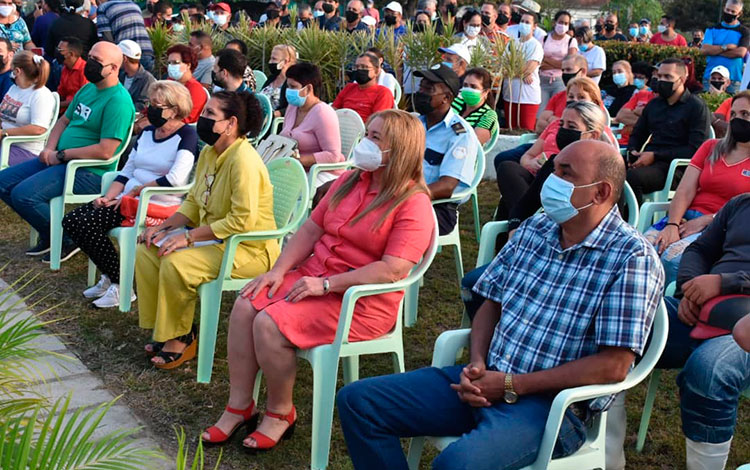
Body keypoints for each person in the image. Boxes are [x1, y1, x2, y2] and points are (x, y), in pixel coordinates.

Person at [337, 139, 664, 470]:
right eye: (554, 168)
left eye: (566, 173)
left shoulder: (632, 258)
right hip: (487, 381)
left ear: (601, 192)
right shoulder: (537, 228)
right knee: (360, 402)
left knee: (456, 465)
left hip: (550, 408)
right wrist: (477, 363)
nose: (551, 179)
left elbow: (613, 366)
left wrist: (511, 385)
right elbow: (491, 302)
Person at [201, 109, 433, 451]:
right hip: (313, 278)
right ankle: (240, 405)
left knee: (268, 323)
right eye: (367, 133)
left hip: (359, 300)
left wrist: (327, 285)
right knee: (246, 302)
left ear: (398, 151)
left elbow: (393, 270)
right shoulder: (351, 180)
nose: (364, 142)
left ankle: (281, 412)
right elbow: (311, 228)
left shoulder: (412, 204)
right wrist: (278, 271)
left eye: (375, 138)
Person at [135, 91, 277, 370]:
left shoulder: (243, 161)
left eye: (211, 114)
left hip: (248, 249)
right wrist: (163, 227)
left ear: (230, 123)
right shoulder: (211, 153)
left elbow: (241, 222)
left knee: (176, 261)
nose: (202, 119)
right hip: (214, 240)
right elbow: (193, 202)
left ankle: (181, 337)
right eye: (204, 112)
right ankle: (165, 330)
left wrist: (187, 237)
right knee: (148, 249)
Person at [62, 81, 198, 308]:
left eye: (158, 105)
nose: (151, 110)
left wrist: (138, 190)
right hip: (126, 199)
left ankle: (121, 285)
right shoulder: (146, 134)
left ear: (174, 110)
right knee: (72, 220)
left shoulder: (186, 136)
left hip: (154, 202)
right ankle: (111, 275)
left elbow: (176, 178)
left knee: (86, 224)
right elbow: (126, 171)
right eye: (150, 104)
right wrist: (108, 196)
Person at [0, 41, 134, 261]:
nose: (89, 63)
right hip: (60, 159)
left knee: (23, 195)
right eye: (90, 57)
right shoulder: (89, 88)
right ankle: (51, 232)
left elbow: (105, 151)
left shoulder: (118, 101)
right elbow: (63, 121)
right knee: (4, 182)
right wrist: (50, 148)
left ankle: (66, 238)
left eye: (97, 61)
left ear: (114, 68)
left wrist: (61, 155)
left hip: (88, 171)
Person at [652, 193, 750, 470]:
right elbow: (699, 250)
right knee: (625, 325)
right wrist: (690, 288)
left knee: (709, 368)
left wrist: (727, 282)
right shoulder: (741, 203)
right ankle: (603, 453)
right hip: (702, 308)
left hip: (743, 326)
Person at [642, 91, 750, 285]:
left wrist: (707, 221)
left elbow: (745, 211)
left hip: (720, 227)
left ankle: (667, 311)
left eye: (745, 114)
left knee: (672, 261)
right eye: (733, 114)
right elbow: (684, 190)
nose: (737, 120)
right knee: (642, 252)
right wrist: (672, 225)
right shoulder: (711, 147)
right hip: (683, 218)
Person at [496, 85, 613, 220]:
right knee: (507, 169)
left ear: (593, 135)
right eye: (561, 124)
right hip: (538, 180)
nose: (563, 130)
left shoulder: (606, 171)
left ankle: (523, 225)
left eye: (571, 126)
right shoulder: (555, 162)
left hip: (573, 228)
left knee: (509, 201)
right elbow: (526, 204)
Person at [626, 58, 711, 205]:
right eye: (659, 76)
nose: (661, 81)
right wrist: (632, 151)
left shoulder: (696, 107)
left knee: (631, 178)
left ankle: (632, 221)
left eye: (668, 77)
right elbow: (638, 133)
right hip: (647, 160)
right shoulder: (654, 105)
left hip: (676, 167)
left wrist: (655, 156)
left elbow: (696, 149)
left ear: (682, 80)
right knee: (608, 170)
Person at [413, 64, 479, 235]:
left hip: (438, 206)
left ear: (446, 98)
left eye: (429, 89)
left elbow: (447, 186)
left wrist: (405, 197)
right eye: (421, 87)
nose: (421, 93)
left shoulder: (459, 135)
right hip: (405, 195)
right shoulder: (414, 124)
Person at [280, 62, 345, 188]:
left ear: (309, 88)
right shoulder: (293, 107)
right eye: (288, 86)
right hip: (295, 169)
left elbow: (333, 155)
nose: (288, 91)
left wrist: (300, 160)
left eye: (293, 87)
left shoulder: (323, 113)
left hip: (320, 173)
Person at [0, 51, 54, 166]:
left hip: (26, 150)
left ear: (17, 71)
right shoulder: (14, 88)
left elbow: (39, 128)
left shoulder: (41, 95)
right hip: (4, 143)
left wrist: (4, 133)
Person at [501, 11, 543, 131]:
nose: (523, 24)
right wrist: (521, 73)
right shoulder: (512, 43)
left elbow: (529, 67)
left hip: (527, 97)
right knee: (510, 130)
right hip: (510, 94)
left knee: (525, 131)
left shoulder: (535, 46)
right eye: (522, 21)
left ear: (534, 26)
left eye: (527, 22)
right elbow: (503, 67)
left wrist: (514, 71)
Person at [533, 53, 589, 134]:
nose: (565, 73)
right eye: (563, 70)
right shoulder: (558, 96)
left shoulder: (591, 97)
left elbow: (585, 129)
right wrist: (565, 125)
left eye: (569, 70)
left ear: (583, 71)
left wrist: (553, 120)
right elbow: (539, 126)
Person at [701, 0, 749, 94]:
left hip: (733, 79)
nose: (729, 13)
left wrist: (715, 50)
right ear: (724, 9)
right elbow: (704, 50)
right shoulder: (712, 29)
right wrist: (726, 47)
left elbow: (740, 53)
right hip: (710, 77)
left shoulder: (744, 32)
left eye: (733, 12)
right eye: (727, 10)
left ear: (739, 13)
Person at [333, 53, 394, 123]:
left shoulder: (383, 93)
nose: (359, 70)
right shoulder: (349, 88)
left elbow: (378, 122)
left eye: (364, 67)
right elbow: (334, 109)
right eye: (356, 67)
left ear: (376, 71)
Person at [96, 0, 154, 72]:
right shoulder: (133, 4)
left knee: (125, 82)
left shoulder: (103, 8)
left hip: (126, 56)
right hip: (146, 52)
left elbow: (107, 38)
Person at [538, 10, 577, 115]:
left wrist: (546, 59)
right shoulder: (544, 39)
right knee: (540, 114)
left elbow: (569, 64)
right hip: (542, 81)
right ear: (554, 22)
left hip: (560, 81)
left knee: (558, 113)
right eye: (560, 22)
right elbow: (538, 62)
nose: (563, 25)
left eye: (566, 23)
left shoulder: (571, 41)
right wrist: (559, 63)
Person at [452, 67, 498, 146]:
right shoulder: (455, 102)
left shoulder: (488, 115)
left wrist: (452, 124)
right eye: (465, 85)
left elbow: (473, 143)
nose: (468, 89)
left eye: (473, 87)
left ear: (485, 92)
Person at [614, 61, 656, 146]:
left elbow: (656, 124)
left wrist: (638, 112)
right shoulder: (640, 94)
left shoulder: (665, 102)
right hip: (622, 143)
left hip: (643, 146)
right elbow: (621, 116)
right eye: (655, 75)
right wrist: (646, 117)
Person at [165, 44, 207, 124]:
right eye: (169, 63)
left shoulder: (195, 89)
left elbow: (187, 118)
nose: (170, 66)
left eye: (175, 62)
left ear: (188, 65)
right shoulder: (169, 82)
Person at [118, 39, 155, 114]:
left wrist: (121, 111)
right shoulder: (120, 75)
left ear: (124, 58)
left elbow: (142, 105)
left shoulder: (147, 79)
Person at [260, 44, 296, 113]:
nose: (270, 62)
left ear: (285, 62)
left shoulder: (291, 84)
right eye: (271, 58)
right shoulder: (272, 78)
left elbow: (294, 108)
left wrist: (279, 113)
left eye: (274, 59)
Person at [56, 37, 87, 113]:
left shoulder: (84, 70)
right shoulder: (65, 69)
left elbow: (84, 98)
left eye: (60, 50)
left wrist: (58, 105)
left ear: (71, 54)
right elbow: (61, 92)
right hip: (65, 110)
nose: (57, 52)